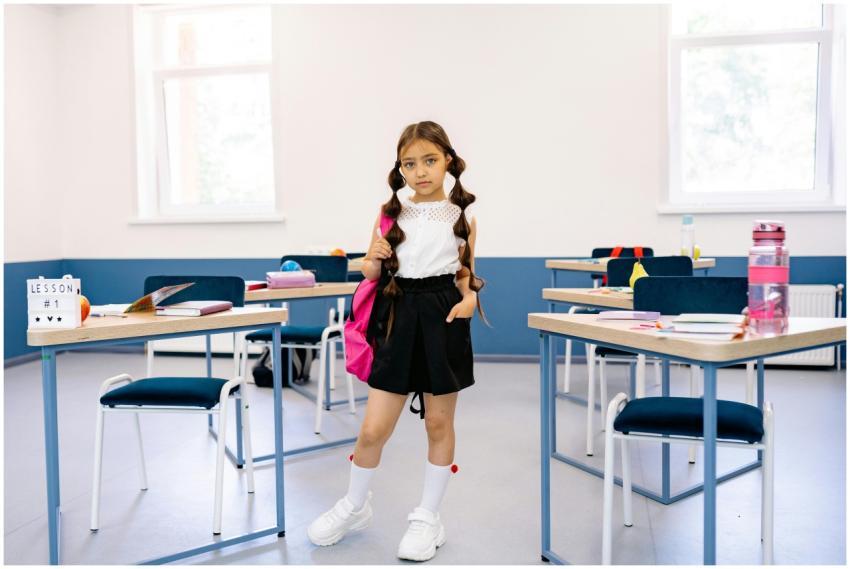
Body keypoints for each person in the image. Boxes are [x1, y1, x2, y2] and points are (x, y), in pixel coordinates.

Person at [307, 121, 486, 562]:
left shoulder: (463, 217)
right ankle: (354, 504)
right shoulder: (391, 214)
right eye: (410, 163)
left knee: (438, 425)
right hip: (397, 314)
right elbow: (370, 272)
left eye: (429, 160)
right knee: (372, 429)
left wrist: (468, 301)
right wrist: (372, 258)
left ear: (448, 160)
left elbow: (465, 274)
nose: (420, 171)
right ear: (400, 168)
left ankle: (428, 517)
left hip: (443, 315)